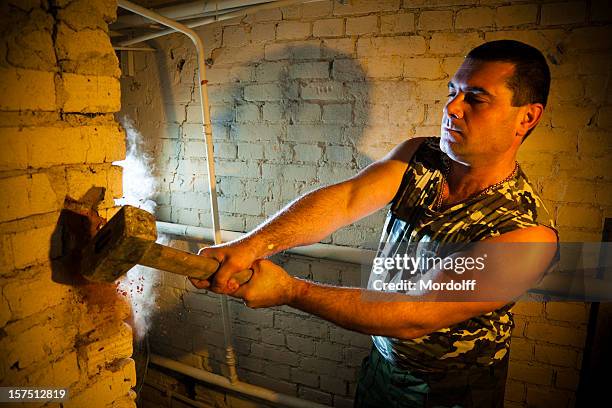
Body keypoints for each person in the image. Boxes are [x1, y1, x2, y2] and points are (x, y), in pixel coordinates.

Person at [190, 40, 559, 407]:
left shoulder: (528, 233)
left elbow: (415, 314)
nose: (451, 108)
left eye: (475, 99)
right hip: (383, 368)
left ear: (526, 117)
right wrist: (252, 246)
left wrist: (290, 291)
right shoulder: (421, 156)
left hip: (451, 393)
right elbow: (346, 199)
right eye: (452, 92)